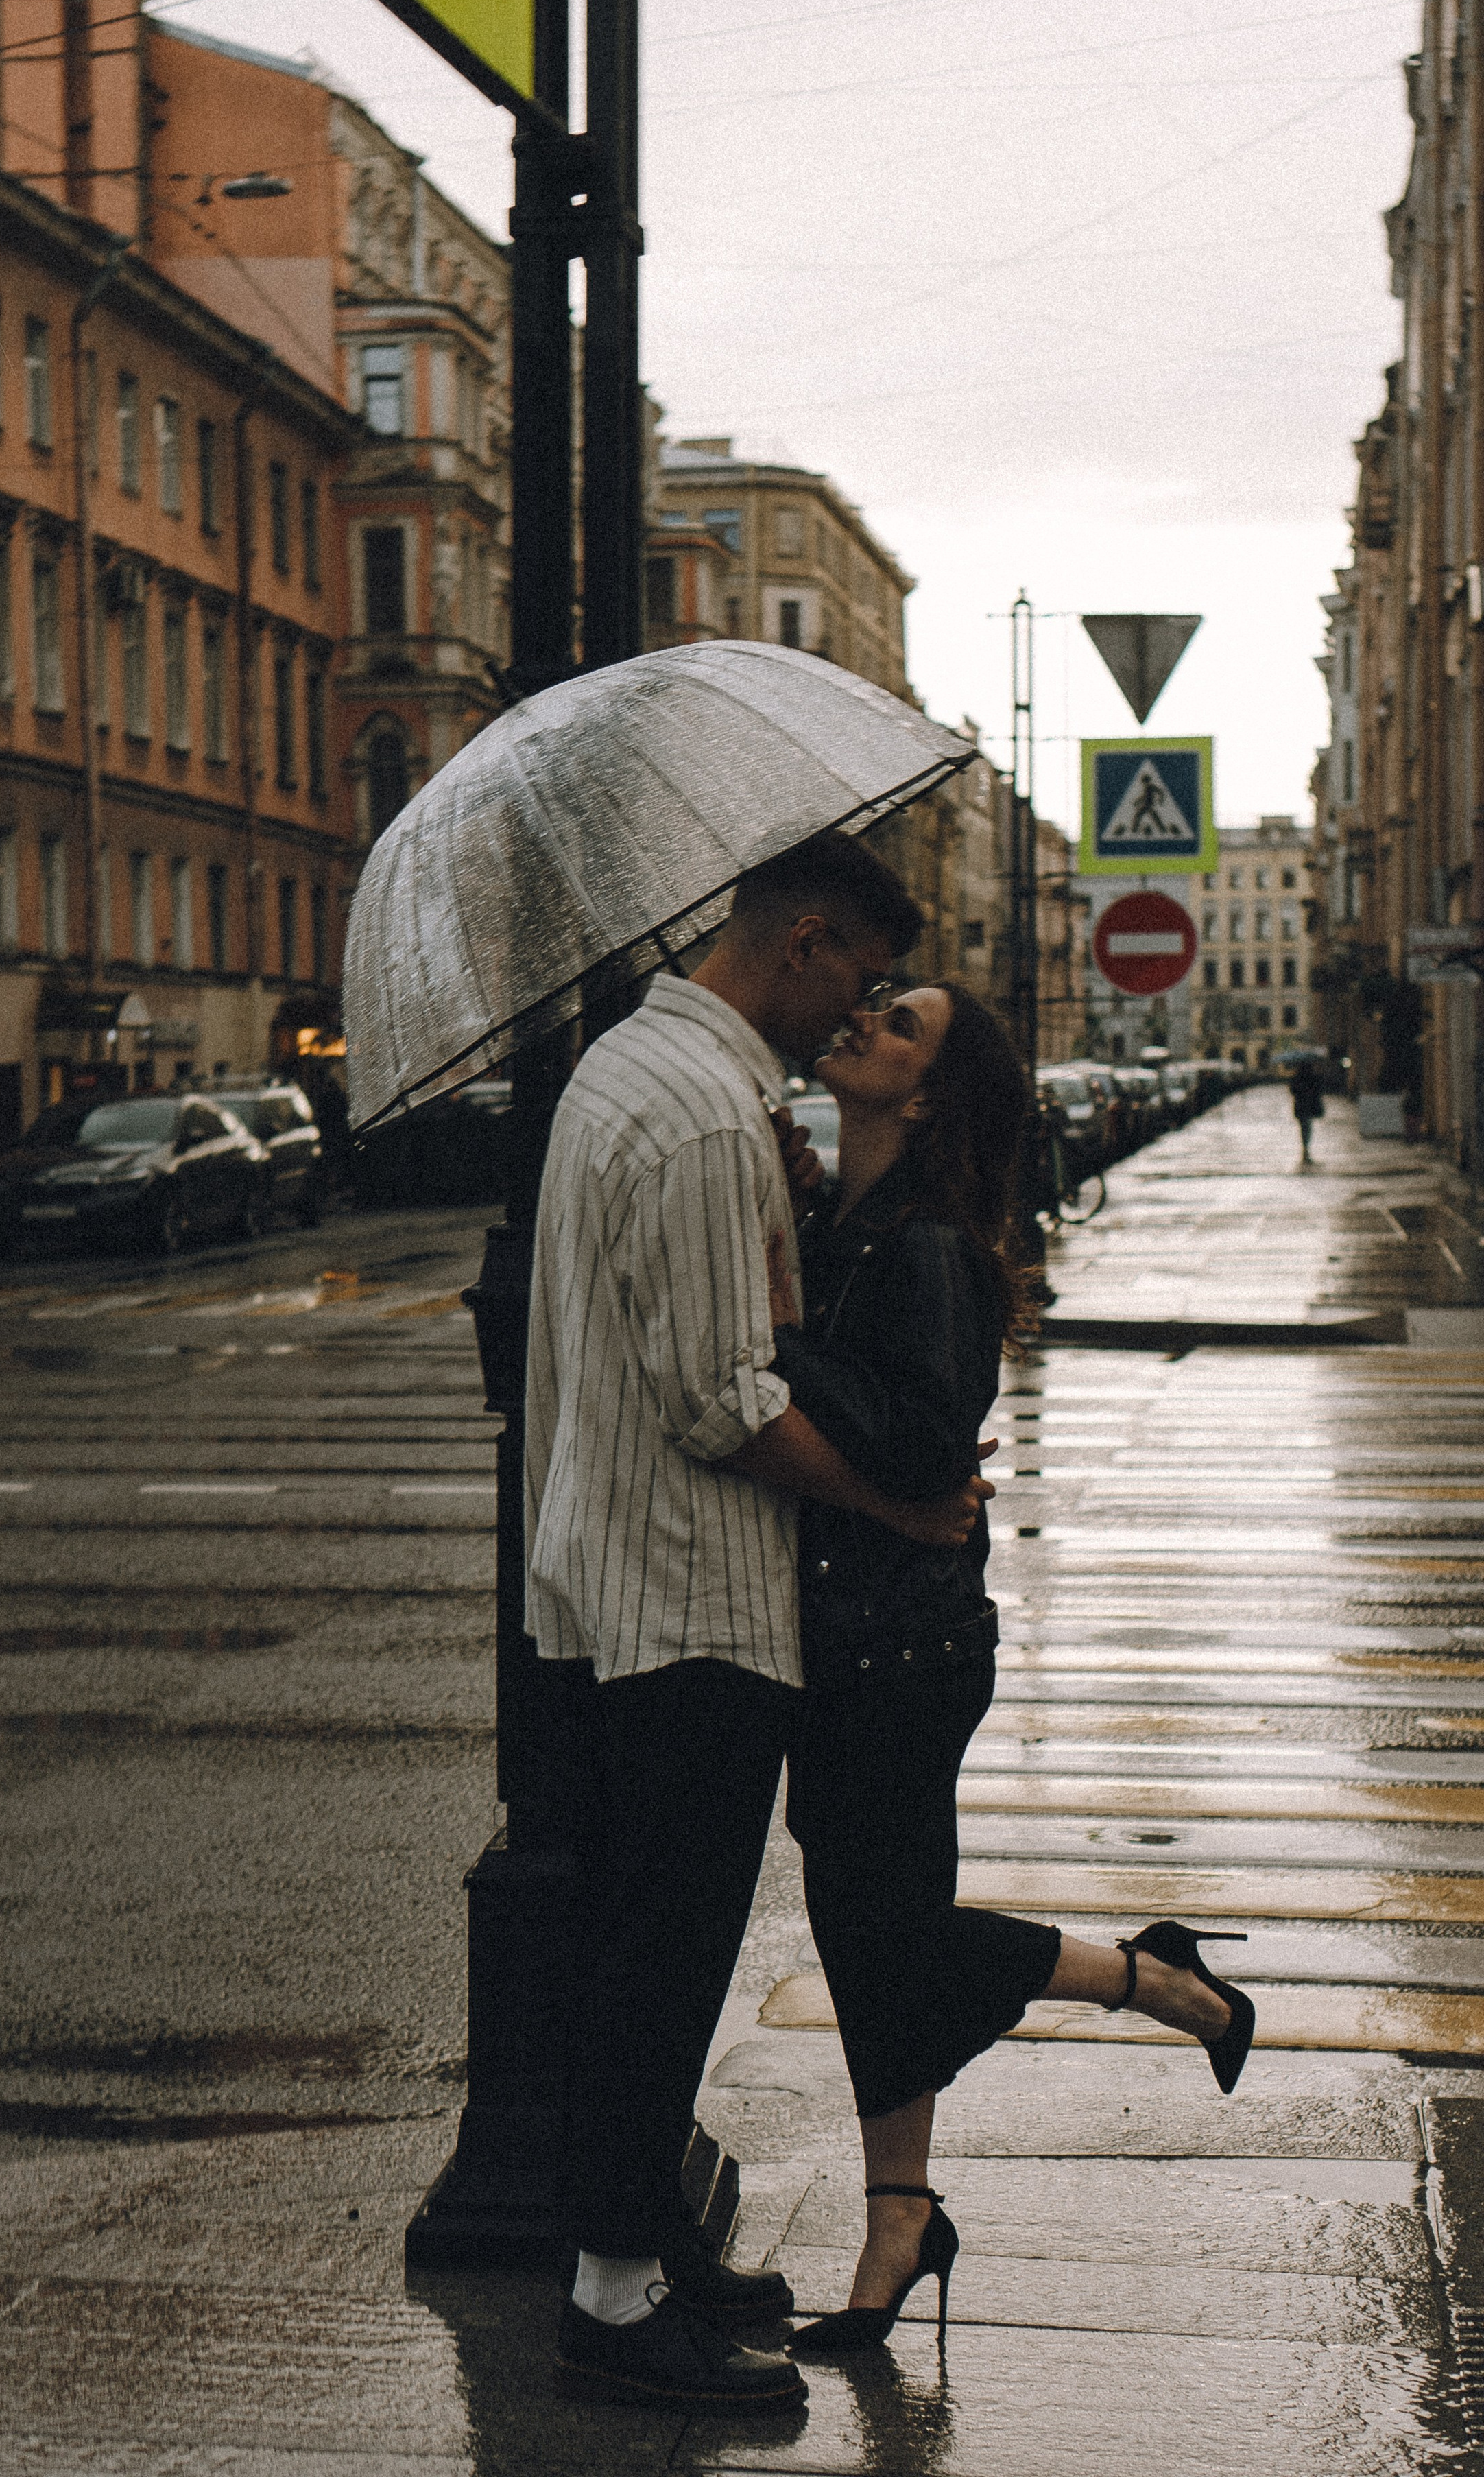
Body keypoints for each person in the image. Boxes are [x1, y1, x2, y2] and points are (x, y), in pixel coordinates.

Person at [525, 833, 995, 2413]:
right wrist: (897, 1507)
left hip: (635, 1582)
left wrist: (771, 1211)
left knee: (644, 1936)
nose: (858, 1004)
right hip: (688, 1599)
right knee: (657, 1953)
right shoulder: (688, 1117)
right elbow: (722, 1404)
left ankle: (644, 2241)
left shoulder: (660, 1082)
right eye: (859, 976)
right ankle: (609, 2300)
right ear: (801, 942)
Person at [771, 981, 1256, 2358]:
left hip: (902, 1650)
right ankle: (898, 2219)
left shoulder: (919, 1248)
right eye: (866, 1004)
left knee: (891, 1941)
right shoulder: (858, 1229)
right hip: (869, 1637)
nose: (860, 1016)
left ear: (922, 1097)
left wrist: (782, 1346)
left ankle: (1161, 1982)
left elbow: (923, 1447)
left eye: (899, 1023)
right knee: (870, 1942)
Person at [1290, 1061, 1324, 1163]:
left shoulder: (1297, 1078)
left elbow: (1292, 1091)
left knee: (1304, 1127)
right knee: (1307, 1127)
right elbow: (1320, 1089)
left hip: (1301, 1107)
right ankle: (1306, 1149)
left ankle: (1305, 1149)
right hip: (1309, 1106)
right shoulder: (1313, 1077)